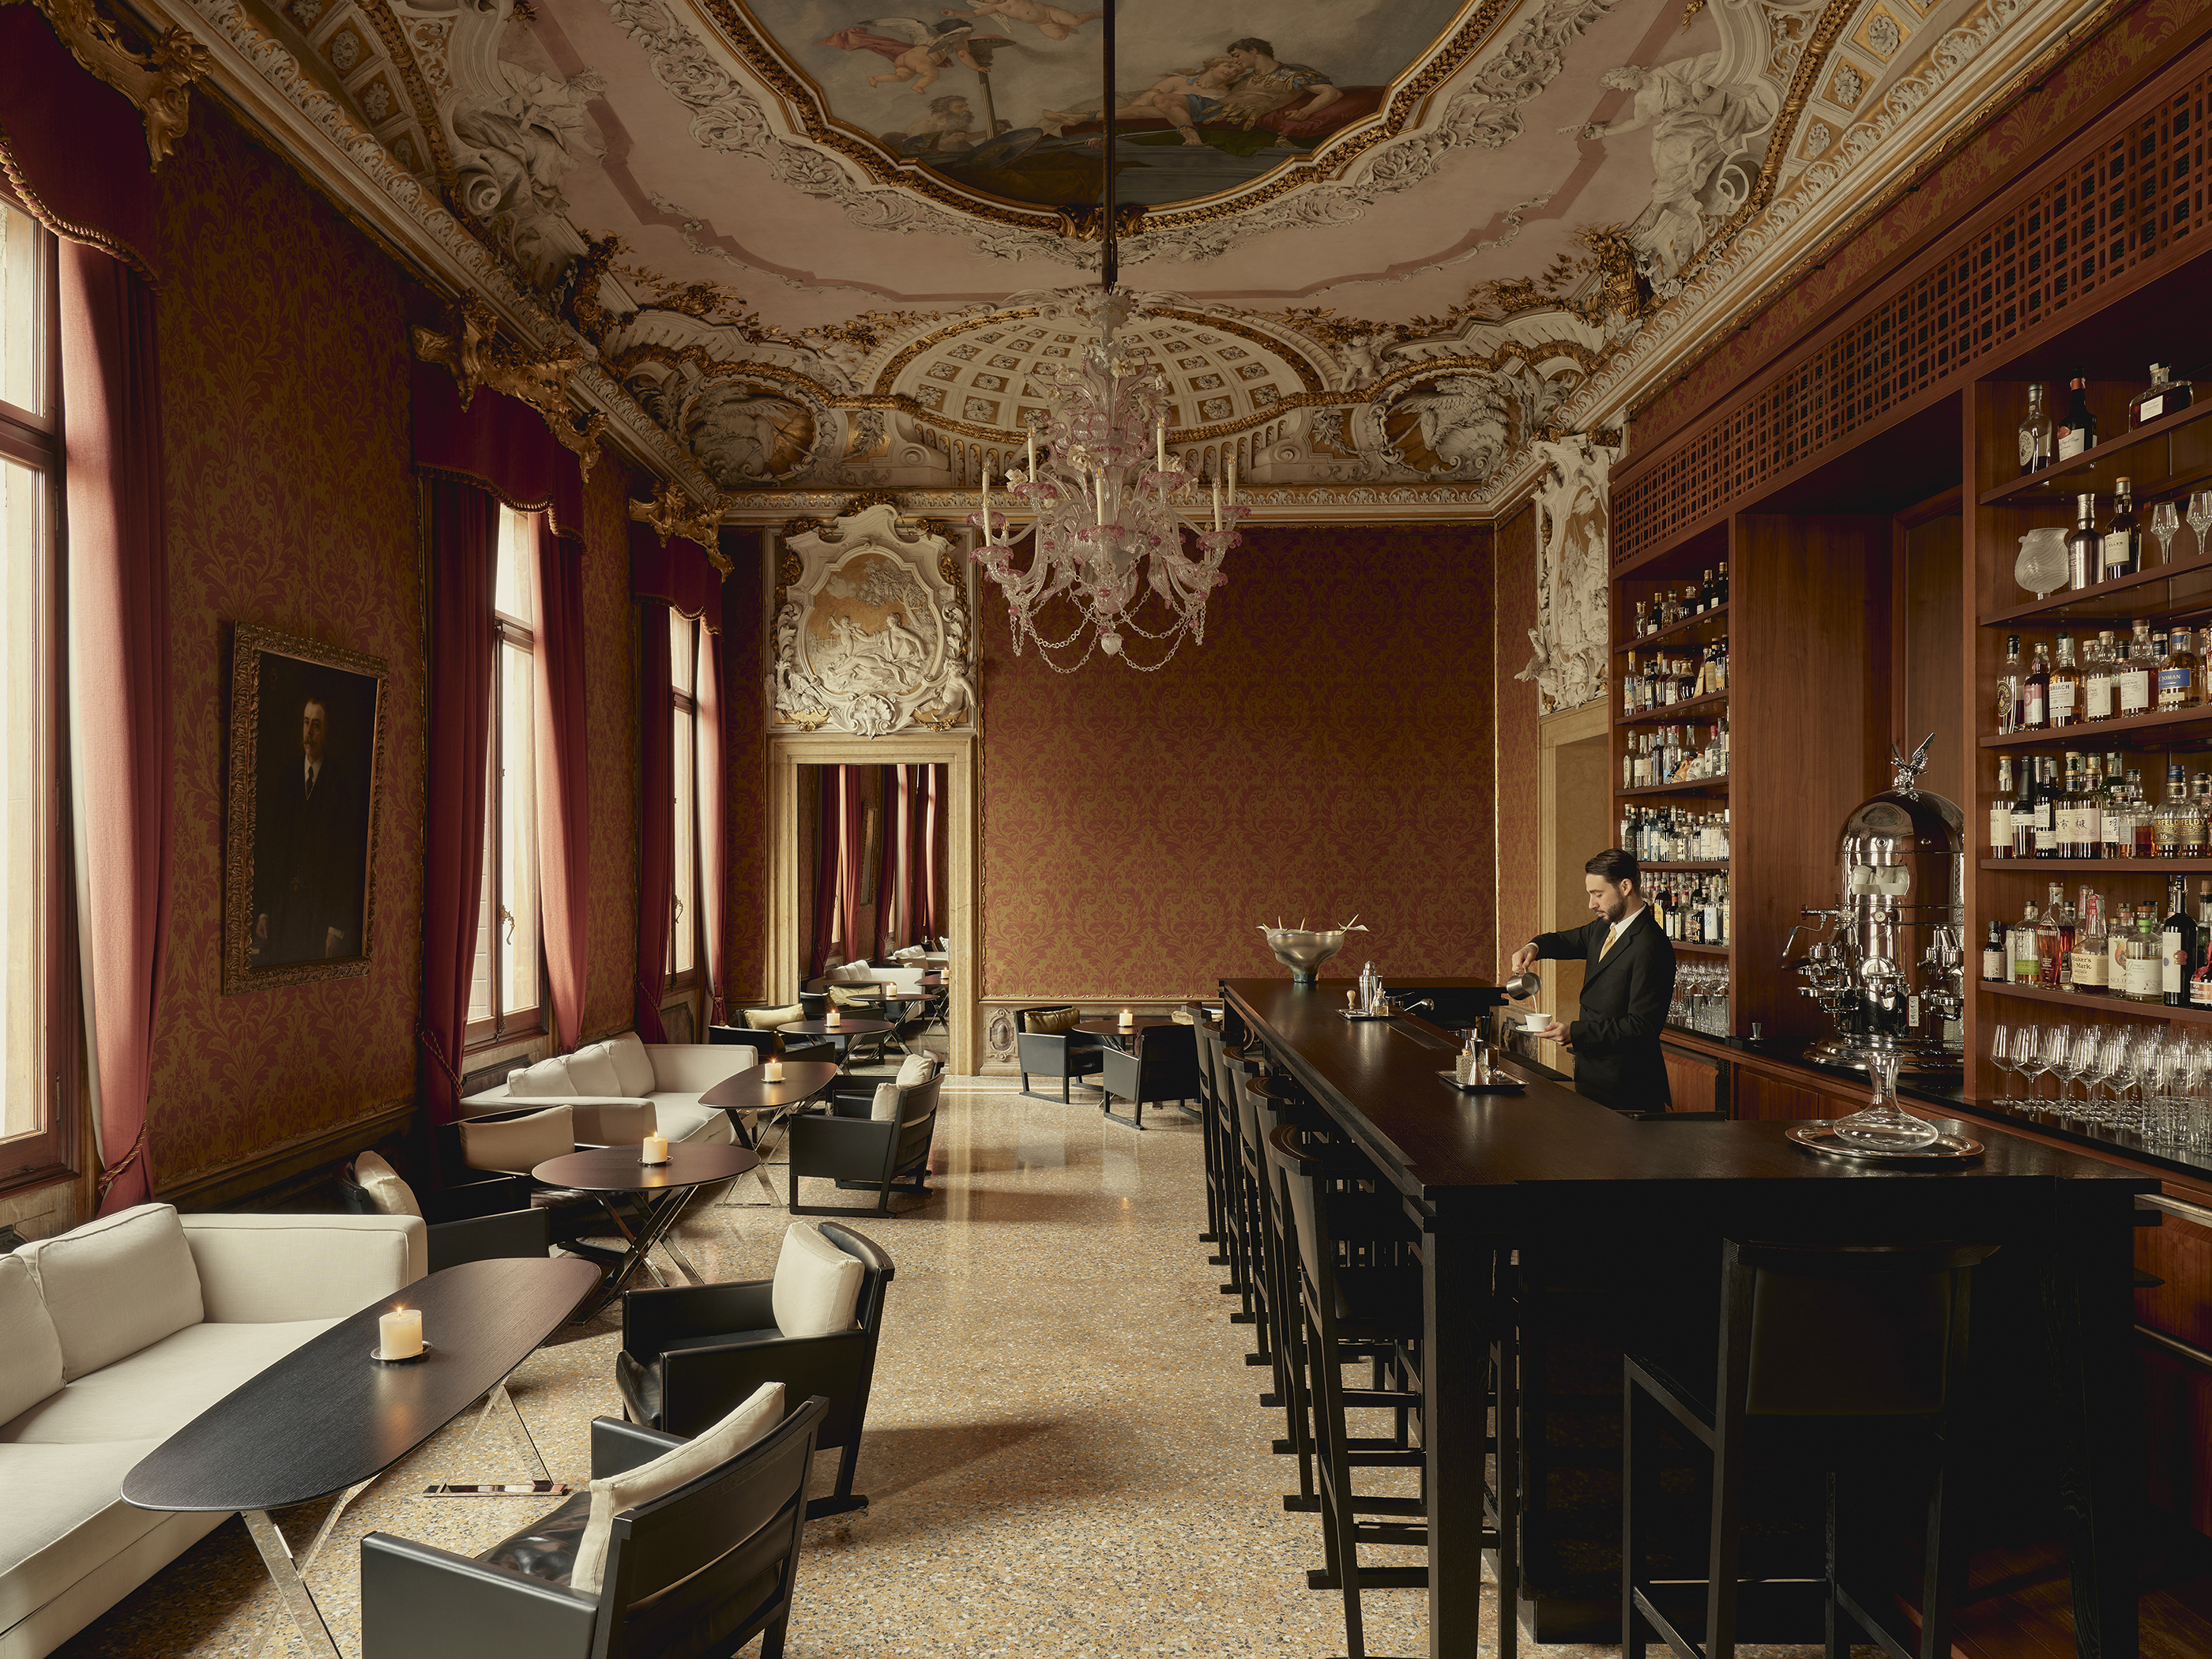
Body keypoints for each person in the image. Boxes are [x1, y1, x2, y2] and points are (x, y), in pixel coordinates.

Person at [1508, 848, 1676, 1112]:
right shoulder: (1605, 927)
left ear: (1625, 886)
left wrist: (1574, 1032)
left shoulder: (1651, 944)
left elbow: (1641, 1027)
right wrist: (1534, 948)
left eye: (1598, 894)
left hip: (1630, 1088)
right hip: (1593, 1078)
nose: (1592, 904)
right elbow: (1566, 940)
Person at [252, 694, 363, 965]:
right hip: (284, 912)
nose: (309, 732)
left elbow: (346, 862)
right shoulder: (287, 777)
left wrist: (336, 927)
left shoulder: (340, 786)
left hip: (319, 916)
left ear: (326, 732)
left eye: (316, 725)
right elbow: (272, 848)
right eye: (306, 723)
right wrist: (265, 911)